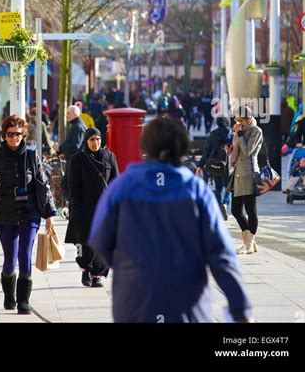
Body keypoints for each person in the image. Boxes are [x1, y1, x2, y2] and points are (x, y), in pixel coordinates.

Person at [88, 117, 254, 323]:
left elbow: (100, 240)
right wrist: (240, 309)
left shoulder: (121, 188)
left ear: (145, 146)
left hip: (134, 301)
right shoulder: (196, 191)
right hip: (186, 303)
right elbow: (222, 255)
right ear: (182, 148)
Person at [0, 116, 56, 314]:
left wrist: (50, 213)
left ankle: (23, 301)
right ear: (4, 135)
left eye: (18, 134)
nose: (14, 138)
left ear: (24, 135)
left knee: (25, 254)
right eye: (10, 134)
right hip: (6, 212)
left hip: (29, 211)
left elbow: (42, 185)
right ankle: (9, 296)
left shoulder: (31, 156)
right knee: (10, 260)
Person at [65, 128, 119, 287]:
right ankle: (85, 269)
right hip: (84, 207)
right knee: (85, 241)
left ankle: (98, 274)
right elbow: (72, 184)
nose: (95, 143)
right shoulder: (77, 159)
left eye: (98, 139)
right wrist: (73, 205)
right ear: (86, 141)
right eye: (91, 140)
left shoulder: (109, 157)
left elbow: (116, 181)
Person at [228, 108, 263, 256]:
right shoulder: (238, 131)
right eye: (236, 120)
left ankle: (248, 243)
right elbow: (237, 149)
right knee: (235, 210)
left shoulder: (256, 131)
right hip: (237, 172)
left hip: (249, 172)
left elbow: (248, 151)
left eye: (240, 121)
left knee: (250, 209)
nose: (237, 123)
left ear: (248, 119)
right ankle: (249, 240)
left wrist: (240, 133)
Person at [196, 116, 233, 219]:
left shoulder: (213, 134)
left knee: (218, 188)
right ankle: (225, 204)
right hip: (228, 165)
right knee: (229, 188)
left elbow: (206, 151)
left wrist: (200, 166)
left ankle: (219, 206)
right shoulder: (232, 134)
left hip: (215, 165)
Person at [53, 105, 87, 196]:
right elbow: (69, 142)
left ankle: (74, 205)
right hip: (73, 161)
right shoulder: (75, 125)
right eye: (66, 113)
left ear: (76, 114)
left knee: (66, 185)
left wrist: (60, 148)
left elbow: (75, 146)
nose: (66, 115)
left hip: (76, 162)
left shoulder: (78, 127)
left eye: (68, 113)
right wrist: (59, 149)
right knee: (69, 185)